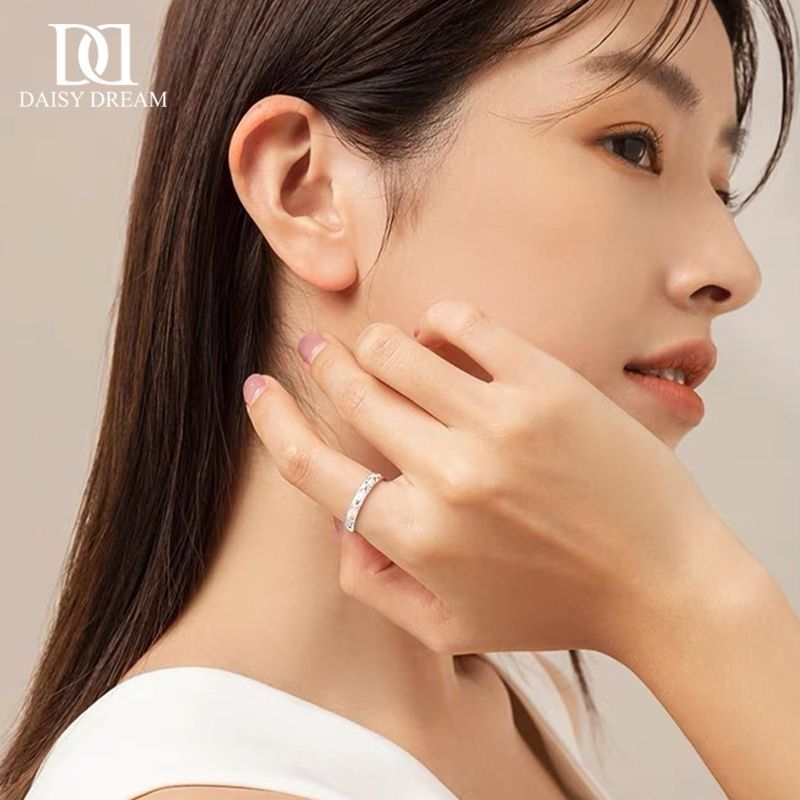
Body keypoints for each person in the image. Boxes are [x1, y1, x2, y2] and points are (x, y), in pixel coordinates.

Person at [3, 0, 797, 799]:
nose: (732, 269)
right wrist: (687, 595)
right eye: (633, 147)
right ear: (307, 190)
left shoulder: (509, 692)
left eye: (719, 187)